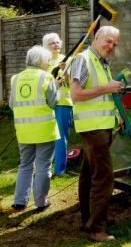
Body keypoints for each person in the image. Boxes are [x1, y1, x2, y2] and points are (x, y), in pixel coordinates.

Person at [70, 25, 122, 242]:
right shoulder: (83, 59)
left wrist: (116, 118)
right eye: (108, 41)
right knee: (103, 177)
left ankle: (88, 219)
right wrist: (107, 88)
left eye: (114, 44)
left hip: (102, 126)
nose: (110, 46)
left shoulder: (102, 63)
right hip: (93, 128)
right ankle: (96, 228)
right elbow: (76, 95)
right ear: (96, 37)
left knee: (88, 175)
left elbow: (103, 97)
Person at [9, 45, 60, 212]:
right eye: (47, 60)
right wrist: (56, 87)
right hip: (44, 130)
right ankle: (41, 202)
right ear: (40, 61)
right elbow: (54, 102)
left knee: (25, 165)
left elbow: (12, 105)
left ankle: (19, 201)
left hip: (23, 130)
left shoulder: (15, 78)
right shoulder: (46, 77)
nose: (48, 63)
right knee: (43, 166)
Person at [43, 33, 73, 176]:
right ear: (46, 46)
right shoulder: (44, 62)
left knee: (61, 137)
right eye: (52, 43)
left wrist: (65, 71)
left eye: (57, 42)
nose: (56, 45)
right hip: (48, 104)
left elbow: (71, 82)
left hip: (64, 102)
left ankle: (60, 169)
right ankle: (47, 167)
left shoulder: (67, 59)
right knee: (48, 136)